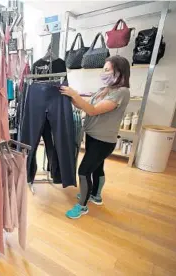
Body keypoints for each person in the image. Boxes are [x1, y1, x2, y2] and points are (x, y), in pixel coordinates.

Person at [60, 55, 131, 219]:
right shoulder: (105, 90)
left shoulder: (122, 92)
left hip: (104, 141)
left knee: (84, 171)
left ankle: (82, 206)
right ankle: (95, 196)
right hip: (93, 137)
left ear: (119, 72)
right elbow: (86, 105)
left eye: (107, 70)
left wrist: (74, 94)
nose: (104, 72)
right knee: (97, 168)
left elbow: (93, 110)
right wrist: (71, 98)